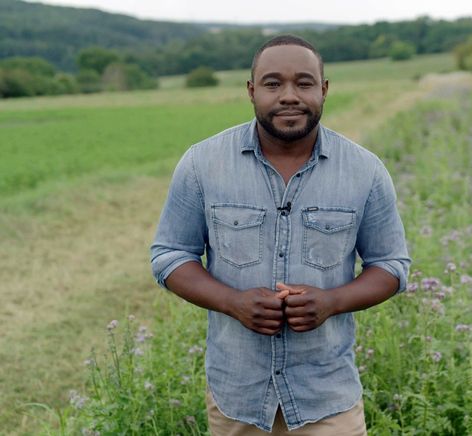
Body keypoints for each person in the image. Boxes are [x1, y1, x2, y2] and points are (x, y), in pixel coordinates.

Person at [150, 34, 411, 435]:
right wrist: (232, 302)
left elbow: (392, 266)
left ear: (323, 90)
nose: (289, 95)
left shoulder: (365, 171)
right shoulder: (202, 164)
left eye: (304, 83)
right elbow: (170, 255)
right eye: (273, 84)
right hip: (237, 396)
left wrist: (332, 301)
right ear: (252, 91)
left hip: (327, 398)